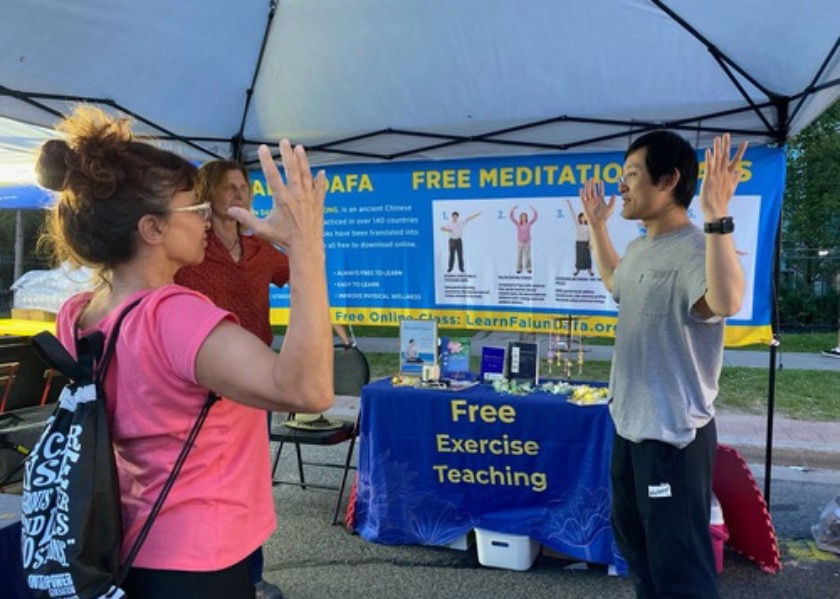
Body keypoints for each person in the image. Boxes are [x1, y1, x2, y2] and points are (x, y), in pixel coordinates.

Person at [36, 106, 333, 599]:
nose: (206, 221)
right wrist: (306, 247)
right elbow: (307, 389)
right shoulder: (174, 316)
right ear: (152, 229)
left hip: (127, 543)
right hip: (201, 560)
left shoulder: (78, 312)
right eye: (194, 209)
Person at [579, 130, 747, 598]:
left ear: (670, 179)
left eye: (631, 175)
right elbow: (616, 280)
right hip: (630, 428)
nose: (621, 187)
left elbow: (726, 299)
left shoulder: (698, 248)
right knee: (638, 551)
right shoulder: (639, 248)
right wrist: (596, 227)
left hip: (672, 438)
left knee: (680, 567)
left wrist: (717, 219)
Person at [174, 160, 289, 599]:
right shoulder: (191, 247)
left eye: (245, 186)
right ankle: (200, 572)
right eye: (231, 186)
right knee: (199, 481)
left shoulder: (262, 250)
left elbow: (297, 274)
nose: (241, 193)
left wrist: (296, 242)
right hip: (196, 382)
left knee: (248, 483)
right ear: (208, 192)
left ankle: (251, 576)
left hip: (255, 379)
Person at [566, 199, 593, 276]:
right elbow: (573, 214)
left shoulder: (588, 226)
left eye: (584, 217)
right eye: (582, 217)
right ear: (580, 218)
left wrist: (590, 243)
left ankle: (589, 270)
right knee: (579, 257)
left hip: (586, 243)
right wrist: (570, 206)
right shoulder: (578, 225)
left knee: (587, 257)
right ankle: (577, 270)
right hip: (579, 243)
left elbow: (590, 235)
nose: (583, 218)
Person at [509, 204, 538, 274]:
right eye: (522, 217)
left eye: (524, 217)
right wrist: (513, 209)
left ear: (526, 218)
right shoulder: (518, 224)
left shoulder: (529, 223)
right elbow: (512, 218)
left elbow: (535, 218)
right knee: (519, 256)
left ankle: (528, 268)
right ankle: (519, 268)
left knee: (527, 257)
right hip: (520, 243)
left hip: (527, 243)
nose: (523, 218)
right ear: (520, 218)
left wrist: (533, 209)